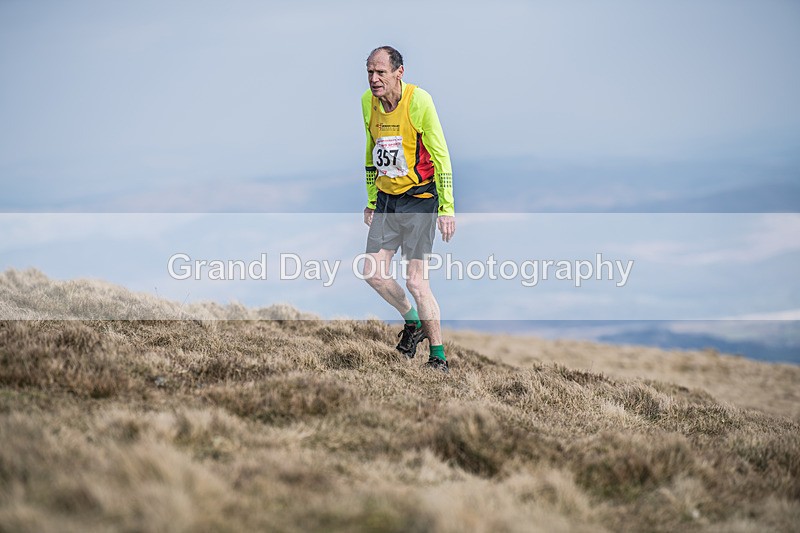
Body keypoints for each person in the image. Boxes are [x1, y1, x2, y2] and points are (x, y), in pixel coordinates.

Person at [360, 45, 456, 373]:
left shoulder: (419, 101)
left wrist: (447, 208)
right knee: (372, 272)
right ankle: (413, 324)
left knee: (416, 282)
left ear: (399, 72)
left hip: (420, 200)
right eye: (370, 72)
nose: (374, 79)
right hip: (387, 200)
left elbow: (441, 156)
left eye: (381, 72)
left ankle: (439, 357)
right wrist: (372, 199)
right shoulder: (367, 103)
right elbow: (371, 151)